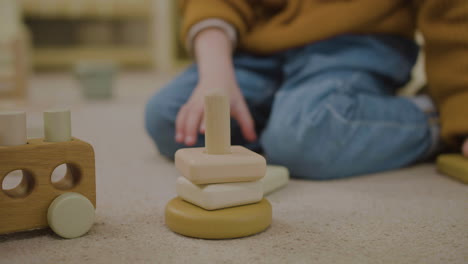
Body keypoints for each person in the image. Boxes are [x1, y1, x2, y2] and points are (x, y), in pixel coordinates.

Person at [145, 0, 468, 180]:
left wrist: (462, 112)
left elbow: (453, 18)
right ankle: (293, 118)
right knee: (168, 118)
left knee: (301, 139)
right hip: (261, 47)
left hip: (356, 42)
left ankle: (431, 117)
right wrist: (215, 72)